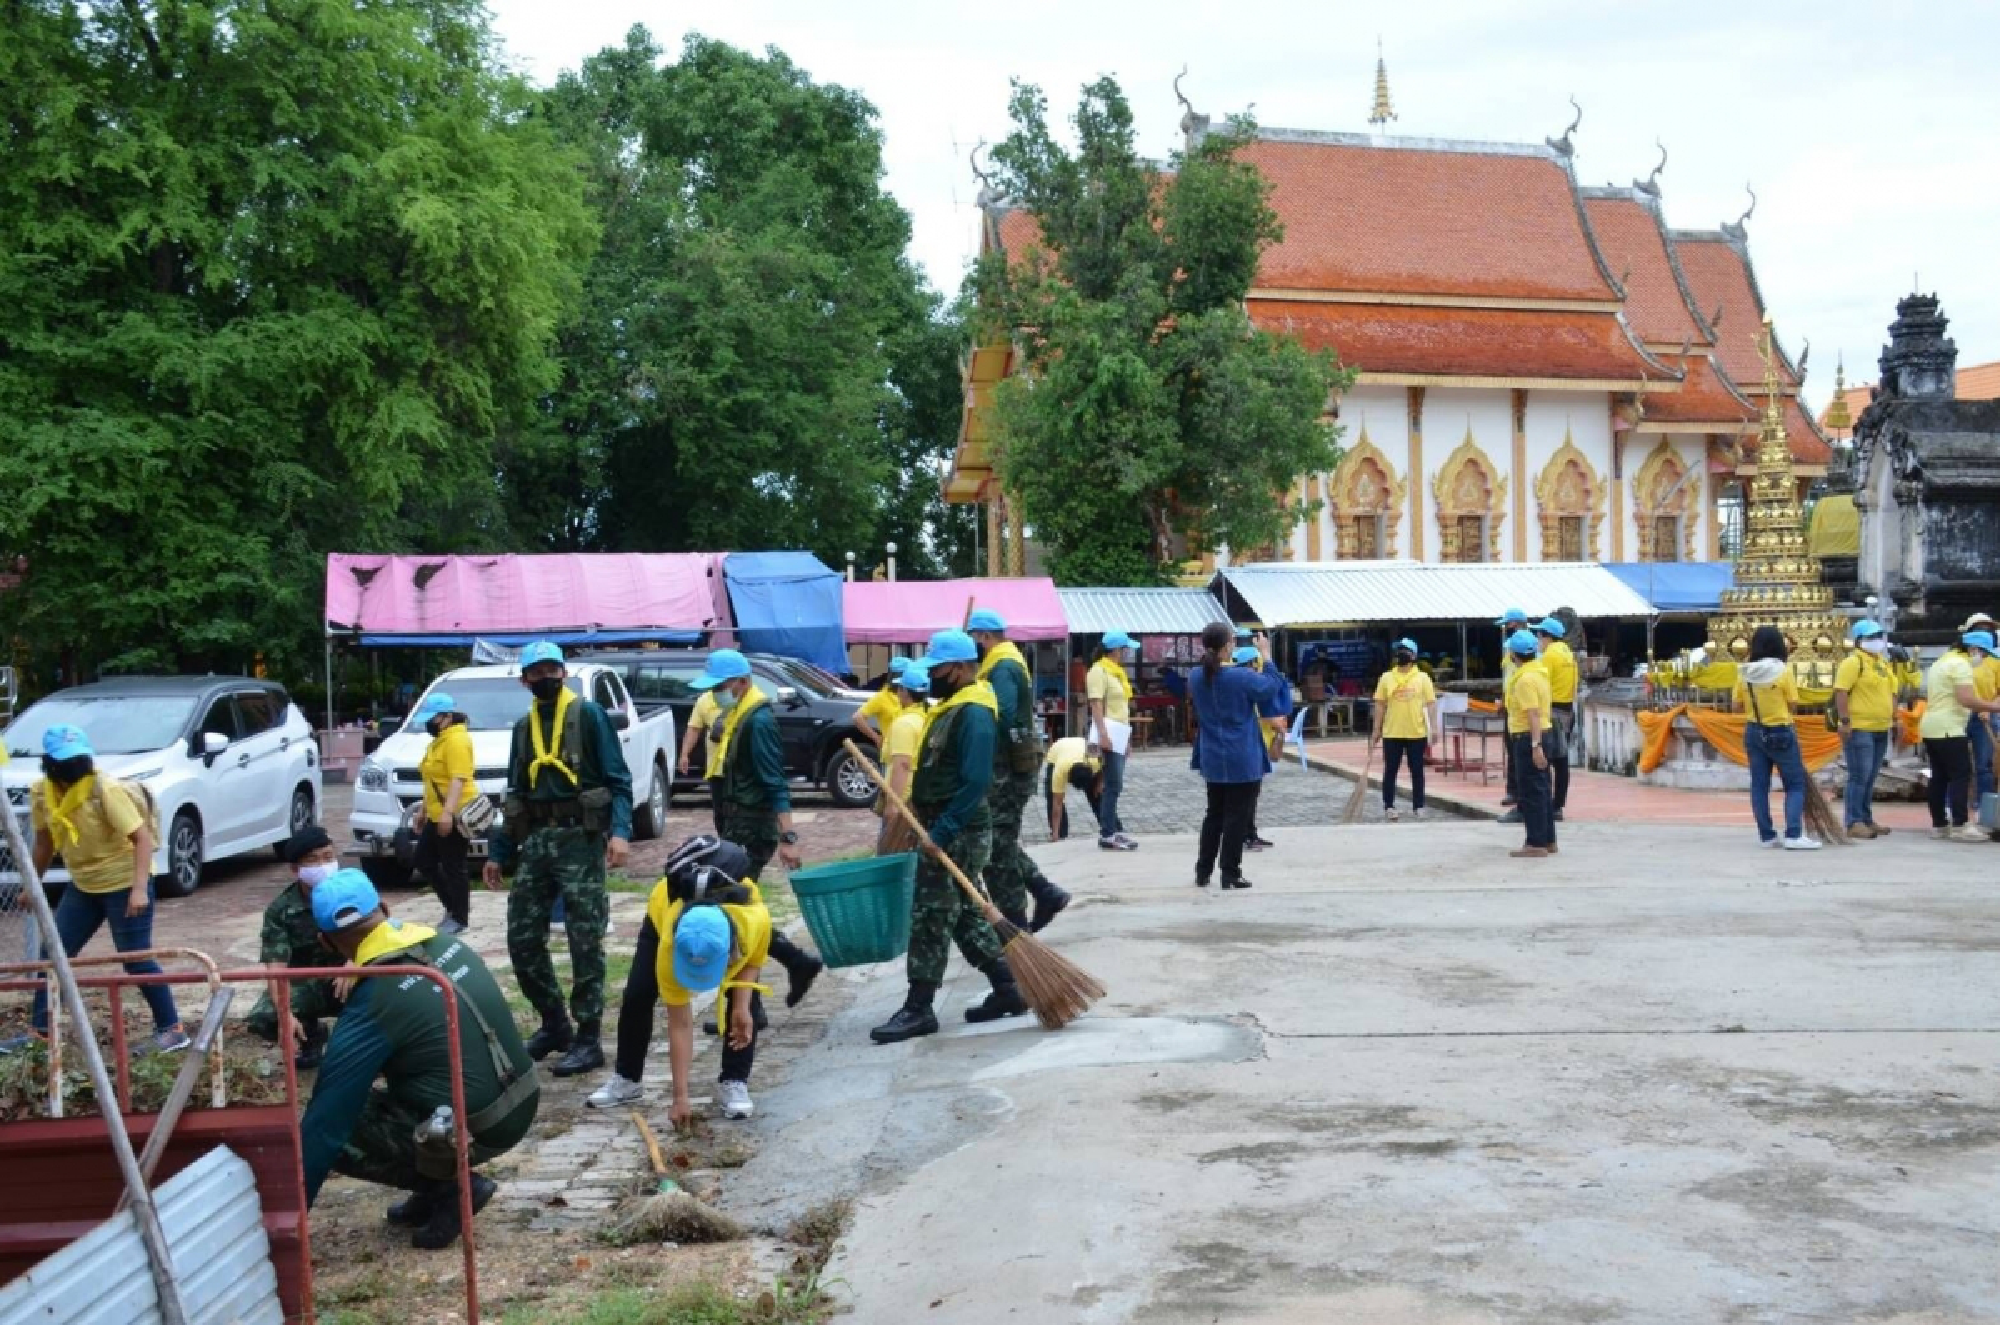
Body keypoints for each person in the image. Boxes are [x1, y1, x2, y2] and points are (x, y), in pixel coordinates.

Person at [299, 871, 538, 1251]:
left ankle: (449, 1188)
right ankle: (433, 1187)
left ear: (325, 941)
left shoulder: (375, 999)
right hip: (523, 1096)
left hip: (481, 1126)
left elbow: (327, 1117)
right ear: (384, 908)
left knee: (340, 1122)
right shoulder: (443, 943)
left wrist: (286, 1223)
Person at [482, 641, 632, 1078]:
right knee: (522, 938)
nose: (546, 676)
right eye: (537, 670)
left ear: (564, 672)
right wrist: (499, 851)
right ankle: (554, 1024)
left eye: (553, 668)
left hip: (580, 841)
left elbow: (618, 779)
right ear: (524, 679)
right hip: (538, 843)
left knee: (584, 940)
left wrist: (619, 832)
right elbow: (515, 793)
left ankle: (589, 1037)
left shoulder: (588, 715)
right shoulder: (522, 727)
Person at [871, 629, 1027, 1044]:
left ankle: (919, 1007)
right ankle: (1008, 985)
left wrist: (943, 830)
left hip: (960, 829)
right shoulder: (956, 705)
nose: (932, 676)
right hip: (949, 824)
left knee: (931, 915)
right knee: (962, 916)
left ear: (958, 669)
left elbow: (975, 781)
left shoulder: (974, 713)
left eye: (937, 669)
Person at [0, 725, 188, 1057]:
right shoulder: (42, 792)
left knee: (135, 959)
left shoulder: (105, 789)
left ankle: (172, 1030)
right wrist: (33, 884)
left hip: (123, 881)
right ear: (50, 764)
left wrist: (140, 889)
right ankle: (40, 1032)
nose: (75, 767)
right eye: (65, 762)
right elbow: (44, 843)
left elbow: (141, 838)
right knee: (54, 954)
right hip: (84, 884)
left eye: (78, 759)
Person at [587, 836, 772, 1119]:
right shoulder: (672, 943)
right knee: (638, 993)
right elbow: (680, 1023)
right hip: (661, 912)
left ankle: (735, 1081)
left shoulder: (755, 920)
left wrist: (741, 1007)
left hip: (730, 928)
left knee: (745, 1008)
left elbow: (752, 963)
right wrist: (680, 1098)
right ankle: (627, 1078)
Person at [687, 648, 824, 1012]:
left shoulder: (758, 722)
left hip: (752, 827)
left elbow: (775, 781)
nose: (716, 692)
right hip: (737, 824)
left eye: (721, 685)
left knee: (733, 907)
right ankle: (789, 968)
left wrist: (789, 837)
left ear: (743, 683)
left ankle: (751, 1002)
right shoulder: (740, 714)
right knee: (736, 908)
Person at [970, 610, 1071, 929]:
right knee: (1000, 840)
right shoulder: (1002, 661)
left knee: (998, 842)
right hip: (1010, 764)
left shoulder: (1002, 666)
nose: (975, 645)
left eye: (975, 638)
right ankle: (1044, 891)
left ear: (985, 637)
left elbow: (1002, 713)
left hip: (1009, 767)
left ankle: (1024, 911)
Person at [1189, 622, 1286, 889]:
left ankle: (1203, 869)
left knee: (1214, 814)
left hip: (1212, 753)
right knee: (1236, 816)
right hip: (1241, 753)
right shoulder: (1239, 677)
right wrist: (1265, 656)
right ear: (1227, 646)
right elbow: (1270, 687)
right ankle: (1230, 872)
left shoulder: (1196, 676)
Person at [245, 826, 345, 1070]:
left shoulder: (353, 892)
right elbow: (275, 968)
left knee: (387, 997)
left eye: (328, 857)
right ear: (296, 869)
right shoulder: (281, 910)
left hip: (352, 976)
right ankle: (311, 1037)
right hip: (308, 983)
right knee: (264, 1016)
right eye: (313, 860)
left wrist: (355, 965)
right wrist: (284, 1014)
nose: (323, 865)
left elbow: (379, 937)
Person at [1732, 626, 1818, 850]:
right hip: (1781, 730)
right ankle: (1793, 833)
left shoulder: (1744, 672)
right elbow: (1792, 703)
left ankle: (1767, 836)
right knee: (1795, 784)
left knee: (1759, 785)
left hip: (1754, 731)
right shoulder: (1783, 671)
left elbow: (1736, 705)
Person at [1919, 630, 2000, 842]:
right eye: (1983, 654)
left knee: (1940, 777)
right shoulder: (1961, 665)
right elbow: (1965, 698)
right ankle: (1960, 824)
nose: (1983, 659)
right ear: (1973, 649)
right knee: (1960, 775)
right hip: (1949, 727)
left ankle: (1940, 825)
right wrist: (1992, 706)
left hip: (1932, 726)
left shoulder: (1943, 660)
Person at [411, 691, 474, 934]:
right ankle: (452, 907)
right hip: (437, 812)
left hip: (455, 813)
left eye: (434, 718)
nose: (430, 723)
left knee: (453, 866)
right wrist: (423, 810)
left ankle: (459, 918)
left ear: (447, 717)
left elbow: (458, 780)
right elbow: (432, 780)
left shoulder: (458, 741)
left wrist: (448, 814)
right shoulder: (439, 741)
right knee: (424, 861)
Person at [1831, 621, 1897, 839]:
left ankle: (1866, 818)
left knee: (1870, 776)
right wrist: (1845, 721)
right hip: (1860, 727)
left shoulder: (1883, 663)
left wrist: (1895, 718)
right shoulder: (1853, 663)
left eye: (1879, 635)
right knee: (1859, 776)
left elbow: (1893, 693)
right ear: (1859, 640)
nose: (1877, 640)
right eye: (1871, 637)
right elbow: (1841, 692)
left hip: (1881, 726)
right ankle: (1853, 821)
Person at [1371, 638, 1437, 822]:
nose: (1402, 653)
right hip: (1392, 732)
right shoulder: (1386, 678)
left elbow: (1431, 704)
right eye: (1399, 650)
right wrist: (1376, 730)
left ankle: (1419, 805)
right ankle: (1389, 805)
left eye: (1406, 650)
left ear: (1414, 655)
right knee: (1390, 770)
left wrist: (1434, 727)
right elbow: (1380, 705)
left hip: (1416, 732)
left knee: (1417, 770)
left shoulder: (1422, 678)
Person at [1084, 630, 1139, 851]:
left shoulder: (1117, 672)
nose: (1126, 653)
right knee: (1111, 783)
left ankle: (1112, 829)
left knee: (1114, 784)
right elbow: (1096, 704)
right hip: (1108, 734)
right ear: (1116, 649)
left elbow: (1121, 708)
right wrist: (1103, 734)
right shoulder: (1098, 671)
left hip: (1119, 733)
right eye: (1125, 649)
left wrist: (1126, 739)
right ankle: (1108, 832)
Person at [1503, 631, 1557, 858]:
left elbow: (1532, 713)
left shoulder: (1525, 680)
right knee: (1543, 789)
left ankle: (1535, 842)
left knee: (1531, 792)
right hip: (1544, 732)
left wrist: (1535, 746)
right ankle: (1548, 839)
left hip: (1529, 736)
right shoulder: (1539, 673)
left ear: (1515, 655)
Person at [878, 663, 932, 854]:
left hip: (904, 800)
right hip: (918, 796)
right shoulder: (926, 718)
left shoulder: (904, 724)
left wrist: (893, 805)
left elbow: (902, 765)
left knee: (890, 855)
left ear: (904, 692)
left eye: (899, 688)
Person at [1534, 617, 1578, 821]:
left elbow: (1542, 685)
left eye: (1539, 636)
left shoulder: (1548, 656)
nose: (1537, 641)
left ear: (1547, 637)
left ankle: (1548, 805)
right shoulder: (1568, 654)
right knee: (1561, 761)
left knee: (1545, 759)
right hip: (1568, 710)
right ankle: (1558, 803)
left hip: (1552, 711)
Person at [1494, 607, 1530, 816]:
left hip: (1522, 706)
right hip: (1510, 704)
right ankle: (1513, 790)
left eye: (1508, 624)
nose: (1506, 628)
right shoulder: (1509, 648)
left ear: (1515, 623)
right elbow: (1508, 677)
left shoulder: (1524, 647)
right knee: (1512, 750)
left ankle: (1519, 794)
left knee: (1520, 751)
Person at [1965, 613, 2000, 801]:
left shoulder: (1995, 659)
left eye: (1989, 628)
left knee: (1984, 766)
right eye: (1980, 628)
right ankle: (1953, 806)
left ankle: (1983, 805)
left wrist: (1989, 707)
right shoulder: (1958, 658)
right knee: (1956, 765)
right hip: (1959, 715)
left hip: (1986, 716)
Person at [677, 686, 723, 829]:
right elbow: (694, 728)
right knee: (721, 813)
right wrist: (684, 754)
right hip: (716, 769)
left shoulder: (745, 698)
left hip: (743, 768)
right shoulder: (704, 700)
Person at [1043, 735, 1103, 844]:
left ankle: (1111, 827)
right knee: (1052, 795)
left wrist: (1099, 784)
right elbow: (1057, 803)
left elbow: (1105, 765)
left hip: (1082, 743)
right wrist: (1055, 833)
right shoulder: (1060, 770)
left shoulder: (1094, 759)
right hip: (1057, 749)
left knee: (1098, 794)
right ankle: (1059, 833)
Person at [856, 657, 914, 746]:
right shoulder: (882, 697)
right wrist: (876, 737)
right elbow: (858, 718)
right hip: (892, 750)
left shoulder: (911, 695)